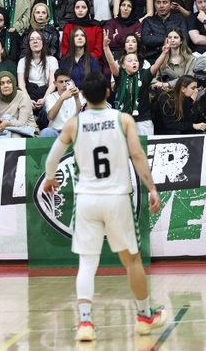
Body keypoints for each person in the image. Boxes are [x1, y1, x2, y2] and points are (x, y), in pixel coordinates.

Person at [41, 71, 165, 342]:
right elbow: (138, 154)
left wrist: (50, 178)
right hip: (117, 198)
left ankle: (85, 322)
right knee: (131, 260)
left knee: (87, 262)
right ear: (109, 93)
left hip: (87, 199)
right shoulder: (123, 120)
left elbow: (53, 157)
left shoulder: (75, 123)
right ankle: (145, 315)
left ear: (83, 96)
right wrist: (152, 188)